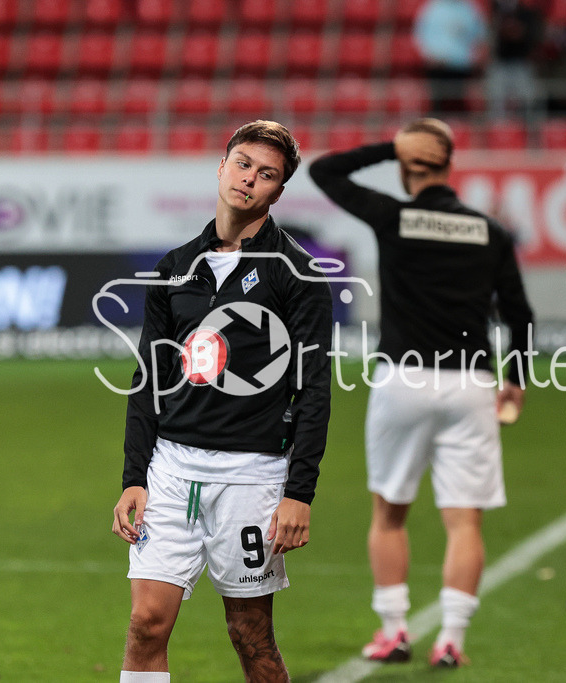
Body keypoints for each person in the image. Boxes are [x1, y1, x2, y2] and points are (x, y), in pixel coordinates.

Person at [111, 120, 333, 683]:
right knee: (146, 623)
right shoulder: (174, 267)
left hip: (253, 475)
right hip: (171, 469)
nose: (250, 180)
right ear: (221, 166)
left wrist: (298, 493)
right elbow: (148, 380)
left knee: (250, 635)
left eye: (267, 175)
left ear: (279, 191)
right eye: (242, 164)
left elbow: (314, 391)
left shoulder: (298, 275)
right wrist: (133, 476)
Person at [309, 118, 534, 668]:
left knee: (389, 514)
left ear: (408, 165)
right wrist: (516, 377)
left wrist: (388, 148)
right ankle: (452, 637)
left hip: (403, 380)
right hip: (471, 384)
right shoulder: (489, 230)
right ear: (450, 165)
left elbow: (323, 170)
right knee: (465, 521)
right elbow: (519, 313)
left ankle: (394, 631)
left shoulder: (394, 216)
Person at [412, 0, 488, 117]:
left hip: (461, 65)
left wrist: (476, 57)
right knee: (437, 103)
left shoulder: (469, 8)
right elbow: (419, 34)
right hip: (438, 64)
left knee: (460, 103)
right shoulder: (432, 8)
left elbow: (480, 35)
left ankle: (461, 131)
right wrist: (429, 56)